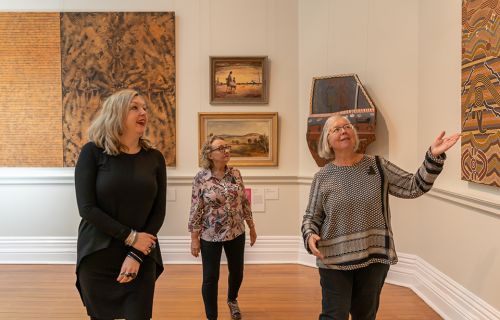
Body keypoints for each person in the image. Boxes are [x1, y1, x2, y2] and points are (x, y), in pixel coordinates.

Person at [301, 115, 459, 320]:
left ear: (354, 134)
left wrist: (432, 157)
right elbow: (311, 217)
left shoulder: (378, 166)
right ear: (327, 141)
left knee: (365, 315)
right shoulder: (322, 177)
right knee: (334, 315)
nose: (343, 130)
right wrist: (310, 234)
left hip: (373, 257)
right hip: (334, 259)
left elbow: (413, 187)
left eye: (347, 126)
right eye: (336, 129)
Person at [74, 89, 167, 320]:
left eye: (144, 107)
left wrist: (136, 252)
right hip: (98, 253)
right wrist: (131, 237)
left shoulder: (154, 158)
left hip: (141, 254)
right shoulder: (92, 152)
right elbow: (86, 208)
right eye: (134, 107)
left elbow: (159, 211)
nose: (143, 112)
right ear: (116, 113)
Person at [189, 135, 257, 320]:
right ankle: (212, 316)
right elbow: (196, 208)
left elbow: (244, 202)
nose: (226, 150)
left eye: (227, 147)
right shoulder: (201, 178)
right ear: (209, 154)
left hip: (236, 231)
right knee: (210, 278)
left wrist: (251, 226)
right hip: (210, 235)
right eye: (221, 148)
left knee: (237, 272)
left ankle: (232, 300)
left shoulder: (235, 173)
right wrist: (194, 238)